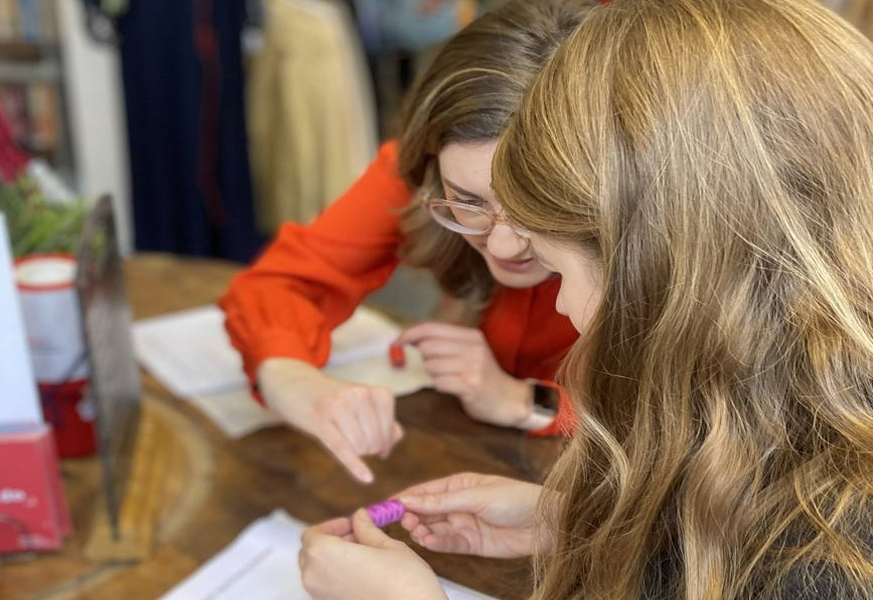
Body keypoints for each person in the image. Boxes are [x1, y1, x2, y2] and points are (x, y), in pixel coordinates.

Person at [298, 0, 873, 597]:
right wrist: (576, 521)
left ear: (679, 271)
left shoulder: (828, 553)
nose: (566, 306)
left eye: (564, 266)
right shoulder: (797, 422)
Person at [220, 0, 592, 484]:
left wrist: (526, 402)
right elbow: (284, 282)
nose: (502, 247)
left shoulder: (667, 220)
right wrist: (290, 376)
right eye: (467, 201)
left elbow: (690, 417)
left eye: (534, 207)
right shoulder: (416, 170)